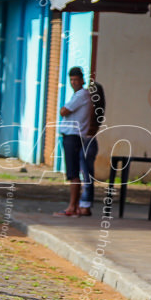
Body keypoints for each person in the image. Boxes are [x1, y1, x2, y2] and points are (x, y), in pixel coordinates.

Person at [55, 66, 91, 217]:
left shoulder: (81, 95)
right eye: (71, 80)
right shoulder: (78, 95)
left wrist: (63, 109)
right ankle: (74, 206)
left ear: (82, 80)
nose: (74, 82)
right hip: (72, 137)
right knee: (73, 173)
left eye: (76, 79)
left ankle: (72, 207)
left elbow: (64, 111)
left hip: (73, 137)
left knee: (73, 173)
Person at [79, 78, 106, 216]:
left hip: (86, 142)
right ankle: (85, 204)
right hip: (92, 142)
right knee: (87, 175)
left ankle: (85, 204)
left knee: (86, 176)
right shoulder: (98, 112)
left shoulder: (89, 111)